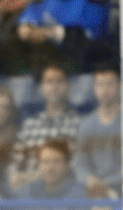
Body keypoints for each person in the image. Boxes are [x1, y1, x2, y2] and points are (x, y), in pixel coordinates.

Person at [72, 67, 123, 198]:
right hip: (93, 192)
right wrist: (89, 180)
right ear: (94, 88)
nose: (104, 90)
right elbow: (80, 163)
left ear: (120, 86)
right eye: (100, 84)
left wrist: (106, 184)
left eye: (109, 84)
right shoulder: (86, 124)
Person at [7, 63, 82, 195]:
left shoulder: (79, 124)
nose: (54, 87)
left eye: (59, 81)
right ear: (41, 88)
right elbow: (15, 161)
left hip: (62, 193)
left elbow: (75, 165)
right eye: (49, 82)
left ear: (67, 87)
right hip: (27, 193)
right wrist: (14, 176)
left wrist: (36, 177)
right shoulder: (29, 125)